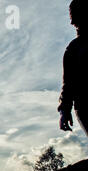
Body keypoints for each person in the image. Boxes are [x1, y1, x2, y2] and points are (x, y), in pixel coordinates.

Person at [58, 0, 88, 136]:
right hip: (85, 106)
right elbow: (68, 84)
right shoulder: (73, 49)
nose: (72, 23)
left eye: (74, 17)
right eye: (71, 18)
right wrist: (64, 110)